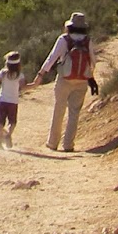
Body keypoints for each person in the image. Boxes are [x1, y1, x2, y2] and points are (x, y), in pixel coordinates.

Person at [34, 11, 99, 151]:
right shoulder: (87, 40)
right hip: (81, 80)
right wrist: (90, 78)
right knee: (74, 113)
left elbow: (52, 58)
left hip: (64, 78)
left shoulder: (64, 39)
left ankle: (53, 143)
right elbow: (93, 61)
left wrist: (41, 74)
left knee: (59, 109)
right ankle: (68, 144)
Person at [0, 50, 24, 149]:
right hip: (13, 102)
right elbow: (23, 86)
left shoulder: (3, 73)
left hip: (2, 100)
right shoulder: (20, 75)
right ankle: (8, 135)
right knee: (12, 122)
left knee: (0, 122)